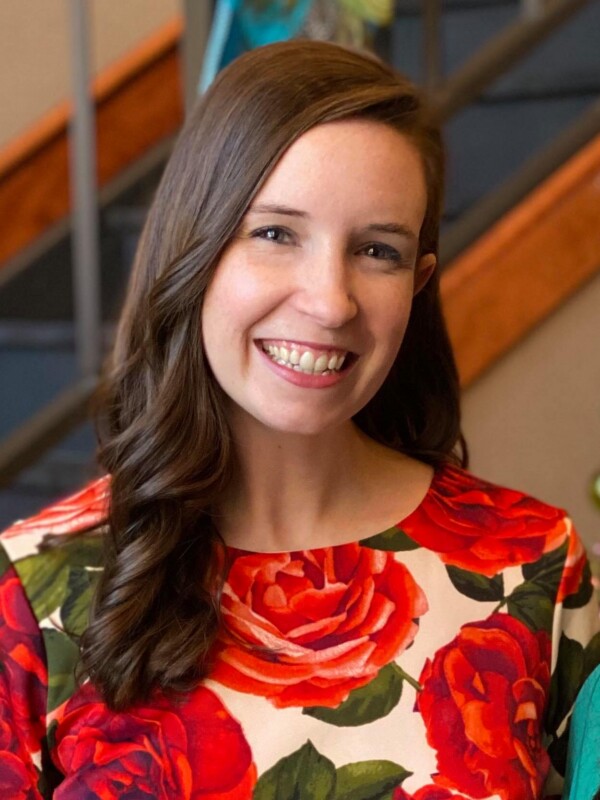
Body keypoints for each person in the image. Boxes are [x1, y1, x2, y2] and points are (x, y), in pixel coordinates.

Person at [0, 40, 598, 800]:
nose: (329, 301)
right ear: (197, 249)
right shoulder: (31, 591)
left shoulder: (532, 566)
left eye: (376, 250)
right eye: (276, 234)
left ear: (417, 285)